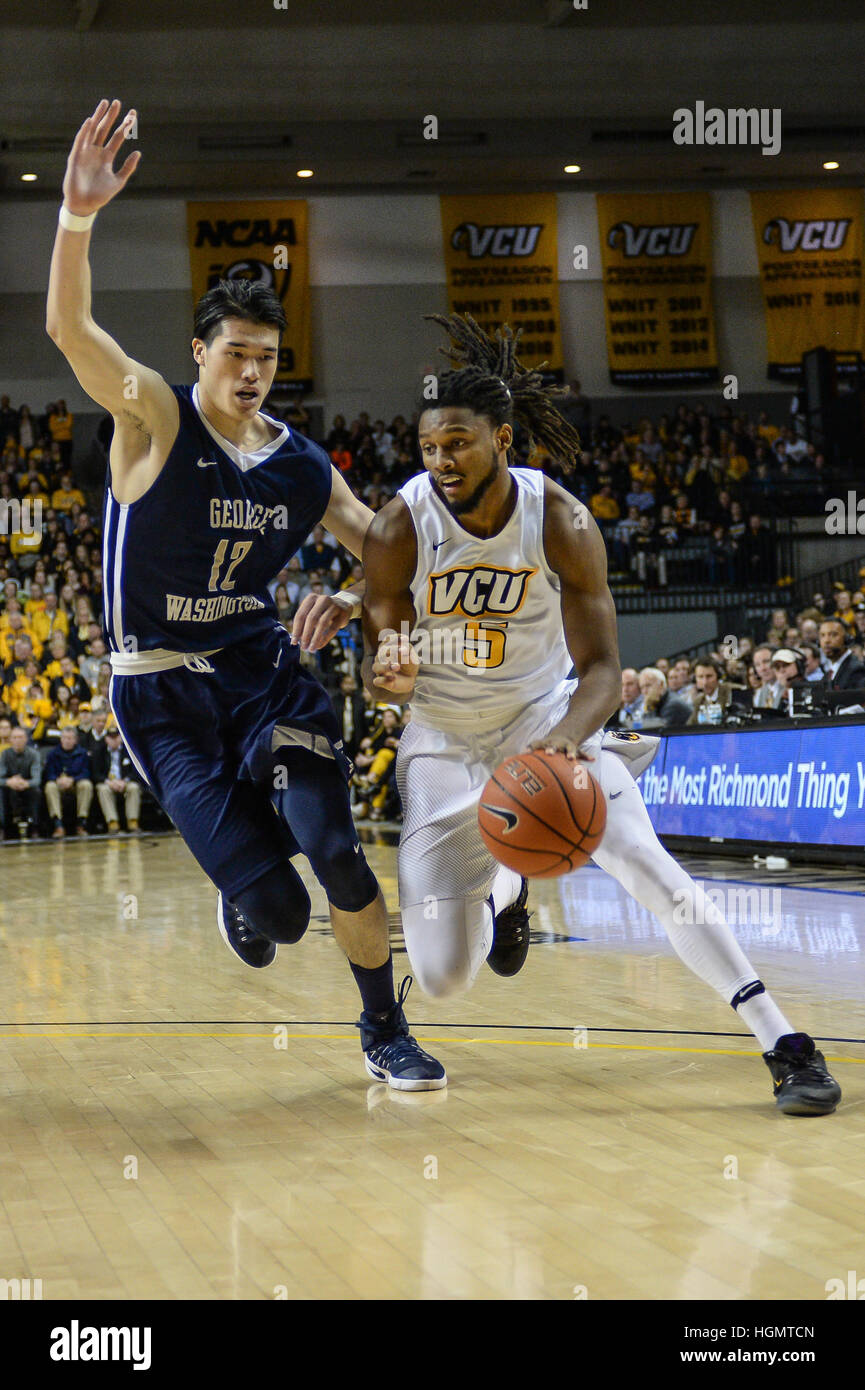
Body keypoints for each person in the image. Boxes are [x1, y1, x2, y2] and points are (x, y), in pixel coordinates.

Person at [45, 98, 444, 1092]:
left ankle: (383, 1027)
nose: (254, 371)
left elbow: (387, 546)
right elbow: (68, 326)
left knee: (339, 853)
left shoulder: (302, 467)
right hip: (161, 698)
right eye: (236, 354)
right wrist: (77, 214)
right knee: (281, 912)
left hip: (265, 676)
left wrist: (355, 603)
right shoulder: (150, 420)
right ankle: (248, 883)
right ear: (198, 354)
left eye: (267, 356)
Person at [359, 311, 839, 1116]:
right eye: (429, 448)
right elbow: (383, 668)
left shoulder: (560, 521)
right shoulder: (398, 526)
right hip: (443, 739)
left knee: (654, 874)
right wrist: (392, 675)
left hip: (546, 718)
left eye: (458, 444)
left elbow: (604, 669)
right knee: (441, 978)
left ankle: (784, 1044)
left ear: (502, 439)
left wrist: (563, 739)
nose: (441, 461)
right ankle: (504, 893)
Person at [0, 725, 42, 839]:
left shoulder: (34, 754)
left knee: (36, 791)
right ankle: (2, 827)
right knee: (1, 791)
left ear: (26, 739)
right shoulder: (5, 754)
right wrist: (9, 782)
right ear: (10, 740)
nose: (17, 740)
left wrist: (24, 783)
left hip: (28, 788)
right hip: (9, 788)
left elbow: (37, 779)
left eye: (20, 737)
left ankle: (34, 827)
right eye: (14, 737)